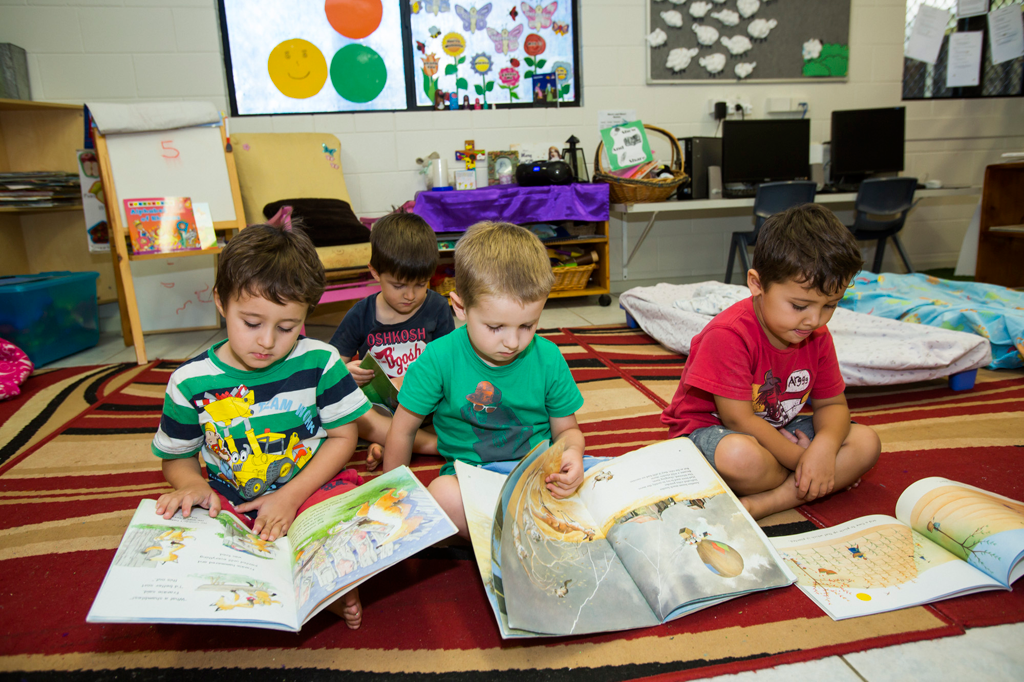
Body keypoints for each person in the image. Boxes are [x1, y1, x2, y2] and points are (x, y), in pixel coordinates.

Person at [151, 217, 368, 628]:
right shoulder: (189, 383)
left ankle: (326, 581)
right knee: (189, 540)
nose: (267, 341)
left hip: (309, 489)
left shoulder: (320, 362)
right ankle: (289, 583)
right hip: (232, 502)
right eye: (251, 323)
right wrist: (192, 485)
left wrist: (290, 496)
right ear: (221, 301)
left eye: (287, 327)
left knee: (342, 518)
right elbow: (175, 459)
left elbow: (344, 436)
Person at [661, 204, 881, 520]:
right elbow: (739, 420)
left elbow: (832, 405)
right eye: (799, 305)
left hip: (781, 431)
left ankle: (770, 501)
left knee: (866, 442)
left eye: (830, 306)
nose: (814, 320)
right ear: (757, 283)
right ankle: (815, 482)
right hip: (713, 433)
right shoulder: (729, 334)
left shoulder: (817, 334)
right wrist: (804, 460)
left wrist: (824, 450)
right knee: (740, 457)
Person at [382, 221, 586, 538]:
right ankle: (520, 533)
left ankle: (513, 532)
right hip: (473, 481)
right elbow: (402, 431)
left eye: (528, 325)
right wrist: (392, 494)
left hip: (538, 478)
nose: (513, 342)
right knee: (441, 495)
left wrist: (572, 453)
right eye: (495, 327)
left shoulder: (548, 358)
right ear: (460, 307)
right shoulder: (438, 359)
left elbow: (568, 431)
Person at [329, 212, 454, 469]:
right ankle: (432, 444)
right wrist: (345, 372)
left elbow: (450, 361)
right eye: (398, 286)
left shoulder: (438, 307)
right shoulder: (360, 313)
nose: (410, 295)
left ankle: (391, 441)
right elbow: (328, 368)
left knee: (458, 404)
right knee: (350, 414)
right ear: (375, 272)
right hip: (380, 410)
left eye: (421, 284)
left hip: (424, 408)